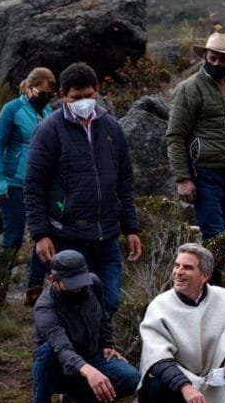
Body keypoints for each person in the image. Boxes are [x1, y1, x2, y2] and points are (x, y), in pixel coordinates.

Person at [24, 62, 142, 316]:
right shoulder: (48, 131)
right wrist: (40, 234)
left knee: (109, 302)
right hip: (68, 235)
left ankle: (100, 351)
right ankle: (69, 353)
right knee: (74, 306)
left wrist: (131, 227)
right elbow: (34, 186)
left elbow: (124, 180)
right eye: (76, 98)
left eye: (89, 96)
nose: (84, 102)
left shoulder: (111, 127)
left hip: (106, 234)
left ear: (97, 90)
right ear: (63, 96)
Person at [133, 244, 225, 403]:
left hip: (214, 374)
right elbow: (156, 359)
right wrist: (185, 386)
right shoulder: (159, 307)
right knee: (157, 383)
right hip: (177, 378)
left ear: (205, 276)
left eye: (187, 267)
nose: (178, 272)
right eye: (177, 266)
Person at [30, 249, 141, 403]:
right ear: (53, 280)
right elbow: (62, 348)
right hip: (59, 367)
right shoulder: (45, 308)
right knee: (47, 351)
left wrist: (107, 344)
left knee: (132, 378)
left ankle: (79, 401)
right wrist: (88, 371)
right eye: (72, 284)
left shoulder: (93, 283)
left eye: (81, 281)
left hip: (92, 353)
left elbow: (103, 317)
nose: (79, 288)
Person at [166, 32, 225, 240]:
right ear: (205, 56)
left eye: (222, 59)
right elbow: (175, 136)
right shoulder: (190, 88)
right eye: (212, 58)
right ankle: (211, 273)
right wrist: (183, 178)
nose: (216, 63)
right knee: (214, 234)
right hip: (204, 174)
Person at [0, 66, 56, 306]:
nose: (46, 97)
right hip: (14, 183)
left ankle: (34, 289)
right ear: (29, 88)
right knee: (14, 236)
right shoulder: (12, 109)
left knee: (44, 234)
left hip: (41, 185)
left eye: (50, 93)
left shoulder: (48, 111)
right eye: (42, 92)